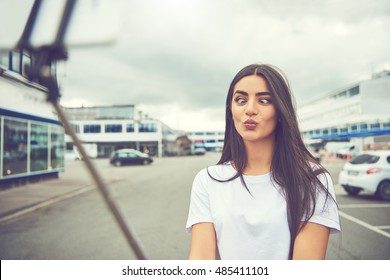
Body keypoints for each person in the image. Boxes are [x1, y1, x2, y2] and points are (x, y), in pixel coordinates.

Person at [186, 64, 341, 260]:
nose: (250, 109)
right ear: (230, 110)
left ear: (281, 112)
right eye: (241, 100)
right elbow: (201, 261)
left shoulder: (312, 181)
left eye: (264, 100)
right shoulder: (208, 181)